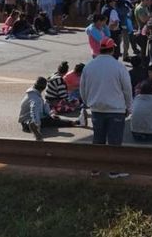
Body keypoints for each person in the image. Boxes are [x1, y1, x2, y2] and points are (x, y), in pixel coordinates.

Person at [80, 38, 132, 178]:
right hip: (116, 110)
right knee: (114, 142)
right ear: (112, 49)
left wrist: (87, 102)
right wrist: (129, 107)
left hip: (97, 109)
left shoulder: (89, 66)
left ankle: (95, 169)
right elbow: (127, 89)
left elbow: (83, 89)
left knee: (98, 140)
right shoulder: (119, 66)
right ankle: (114, 170)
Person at [18, 77, 86, 141]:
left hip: (26, 121)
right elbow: (34, 111)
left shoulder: (32, 94)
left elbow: (43, 105)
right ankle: (78, 122)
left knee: (52, 119)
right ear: (44, 88)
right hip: (28, 122)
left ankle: (34, 125)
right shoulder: (36, 99)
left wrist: (50, 113)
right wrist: (37, 125)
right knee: (52, 121)